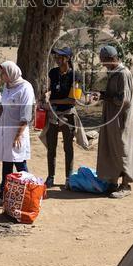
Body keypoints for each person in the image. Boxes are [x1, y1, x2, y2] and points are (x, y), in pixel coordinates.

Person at [94, 45, 133, 199]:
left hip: (121, 120)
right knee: (112, 149)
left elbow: (124, 100)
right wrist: (102, 94)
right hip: (112, 118)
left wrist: (105, 97)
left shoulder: (123, 74)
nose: (103, 65)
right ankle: (113, 181)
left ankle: (126, 184)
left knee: (122, 149)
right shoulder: (114, 73)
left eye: (104, 62)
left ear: (112, 59)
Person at [0, 60, 35, 205]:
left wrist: (18, 135)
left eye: (3, 73)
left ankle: (29, 193)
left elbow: (26, 115)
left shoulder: (25, 88)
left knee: (20, 165)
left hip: (17, 134)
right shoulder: (7, 87)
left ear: (11, 73)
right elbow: (4, 106)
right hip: (5, 133)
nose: (1, 75)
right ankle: (3, 194)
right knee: (7, 165)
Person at [43, 47, 81, 188]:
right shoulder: (53, 73)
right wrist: (47, 93)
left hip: (67, 115)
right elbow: (48, 88)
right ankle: (50, 177)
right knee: (51, 147)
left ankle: (68, 178)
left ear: (68, 58)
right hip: (53, 115)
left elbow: (73, 100)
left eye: (61, 57)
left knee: (68, 147)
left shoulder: (75, 76)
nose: (57, 59)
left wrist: (52, 101)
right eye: (56, 57)